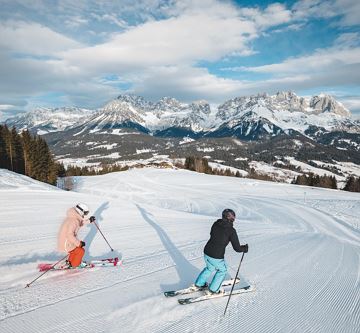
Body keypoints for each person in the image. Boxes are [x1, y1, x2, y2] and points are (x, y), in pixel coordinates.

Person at [194, 208, 248, 295]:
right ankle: (213, 289)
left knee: (210, 268)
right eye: (232, 216)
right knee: (222, 270)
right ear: (231, 218)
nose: (233, 218)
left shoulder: (216, 223)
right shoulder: (231, 231)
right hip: (216, 256)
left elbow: (213, 234)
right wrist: (244, 248)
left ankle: (199, 283)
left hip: (207, 252)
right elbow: (237, 248)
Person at [57, 203, 96, 267]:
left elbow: (79, 224)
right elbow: (69, 235)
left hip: (64, 241)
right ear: (81, 211)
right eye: (85, 213)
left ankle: (70, 262)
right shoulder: (74, 220)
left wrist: (89, 221)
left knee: (76, 250)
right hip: (66, 243)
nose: (85, 215)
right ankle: (75, 264)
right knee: (80, 251)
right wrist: (79, 243)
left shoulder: (73, 218)